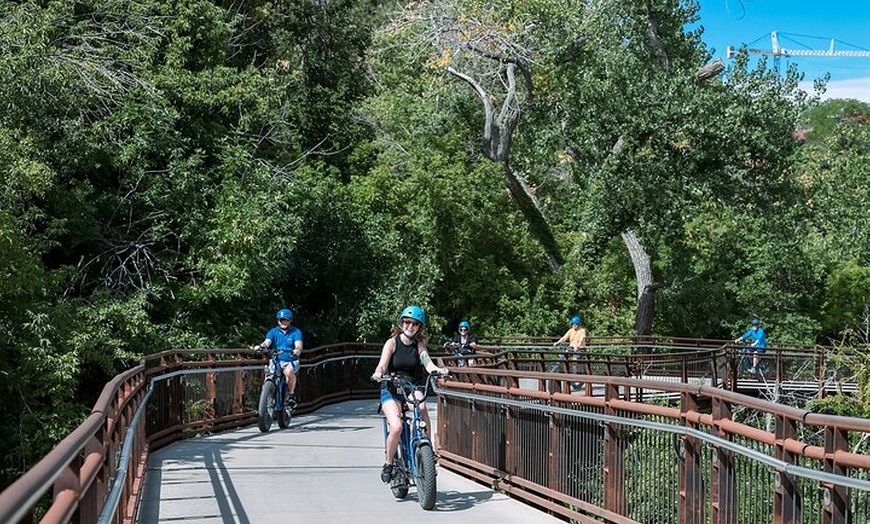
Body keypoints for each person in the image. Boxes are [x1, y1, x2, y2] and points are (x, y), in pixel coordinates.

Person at [371, 305, 448, 483]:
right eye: (407, 322)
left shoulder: (419, 346)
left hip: (411, 387)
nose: (410, 326)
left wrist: (438, 370)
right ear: (401, 323)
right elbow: (382, 364)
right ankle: (388, 463)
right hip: (391, 387)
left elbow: (427, 363)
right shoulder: (392, 343)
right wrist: (378, 373)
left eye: (414, 324)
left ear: (419, 327)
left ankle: (425, 446)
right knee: (396, 426)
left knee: (421, 408)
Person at [253, 308, 303, 409]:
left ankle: (291, 395)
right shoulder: (273, 332)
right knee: (269, 374)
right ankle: (267, 396)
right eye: (282, 320)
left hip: (291, 360)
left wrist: (297, 350)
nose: (284, 322)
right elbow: (267, 342)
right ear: (278, 320)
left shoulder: (296, 332)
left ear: (290, 321)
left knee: (289, 372)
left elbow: (298, 345)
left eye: (287, 320)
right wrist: (261, 347)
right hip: (276, 359)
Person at [553, 316, 588, 389]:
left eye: (575, 324)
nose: (574, 326)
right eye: (573, 324)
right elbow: (564, 338)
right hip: (571, 347)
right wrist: (558, 342)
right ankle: (559, 366)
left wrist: (578, 346)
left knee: (574, 360)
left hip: (580, 349)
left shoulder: (582, 330)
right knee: (564, 354)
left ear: (578, 324)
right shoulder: (570, 330)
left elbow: (582, 339)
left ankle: (573, 378)